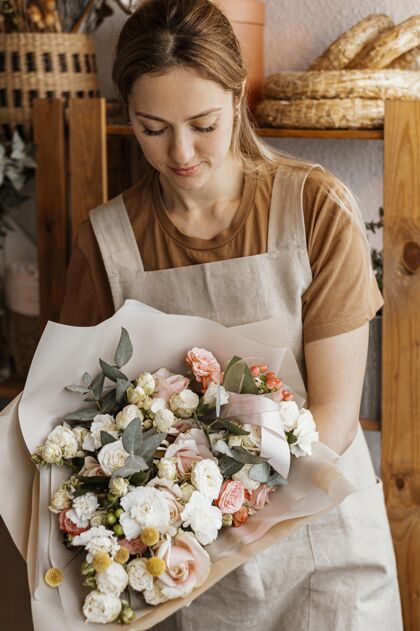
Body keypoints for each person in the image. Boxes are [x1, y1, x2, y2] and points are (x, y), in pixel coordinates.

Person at [60, 0, 403, 628]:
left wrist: (224, 507)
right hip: (181, 571)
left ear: (237, 96)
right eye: (152, 127)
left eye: (203, 122)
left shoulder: (314, 209)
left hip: (323, 553)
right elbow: (81, 418)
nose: (181, 152)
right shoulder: (107, 241)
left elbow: (333, 416)